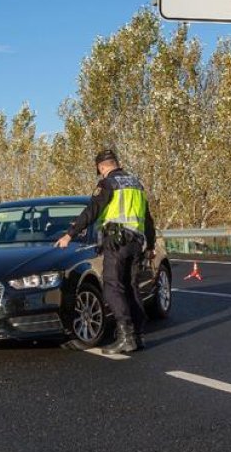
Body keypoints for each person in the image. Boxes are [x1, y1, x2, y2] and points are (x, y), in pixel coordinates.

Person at [55, 149, 156, 354]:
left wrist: (69, 235)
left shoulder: (108, 183)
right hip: (136, 242)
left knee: (112, 287)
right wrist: (151, 245)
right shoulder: (136, 183)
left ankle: (125, 337)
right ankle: (138, 335)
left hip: (116, 242)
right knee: (131, 287)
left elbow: (92, 210)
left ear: (102, 167)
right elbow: (148, 218)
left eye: (99, 171)